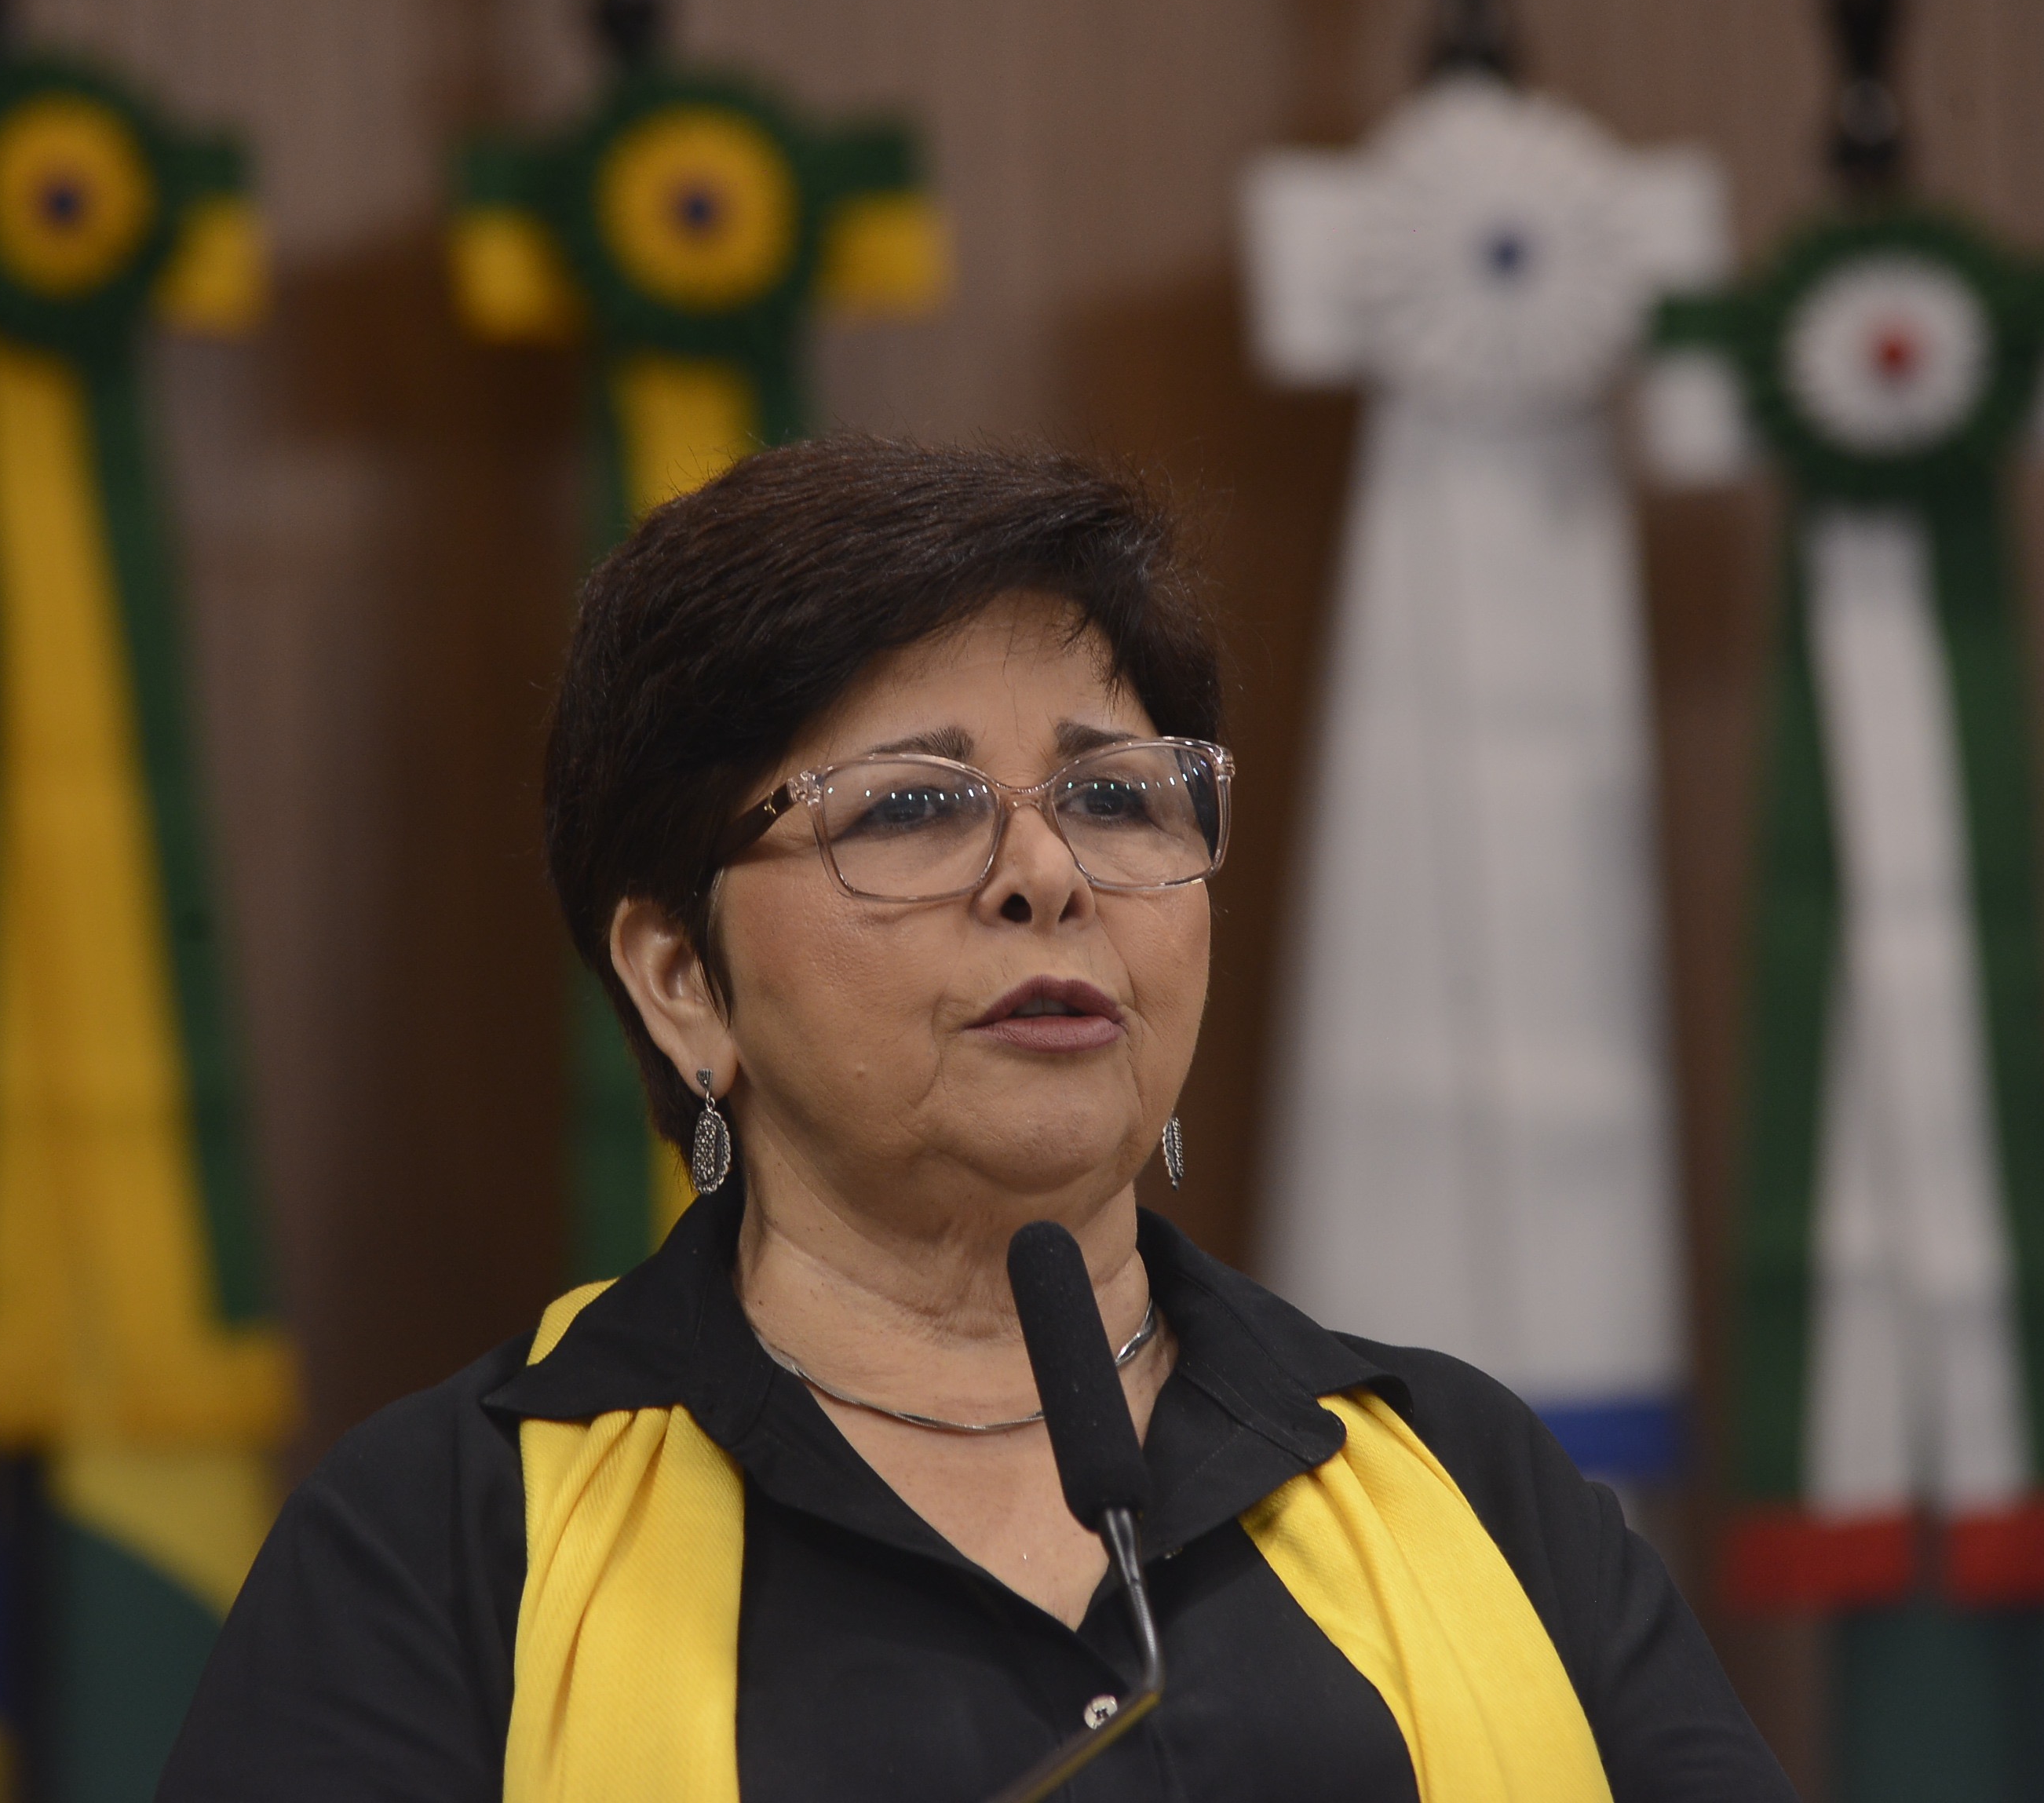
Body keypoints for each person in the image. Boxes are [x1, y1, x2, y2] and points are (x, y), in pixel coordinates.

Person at [158, 438, 1796, 1801]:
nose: (1047, 875)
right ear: (681, 981)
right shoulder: (447, 1540)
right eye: (912, 810)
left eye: (1117, 795)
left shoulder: (1465, 1476)